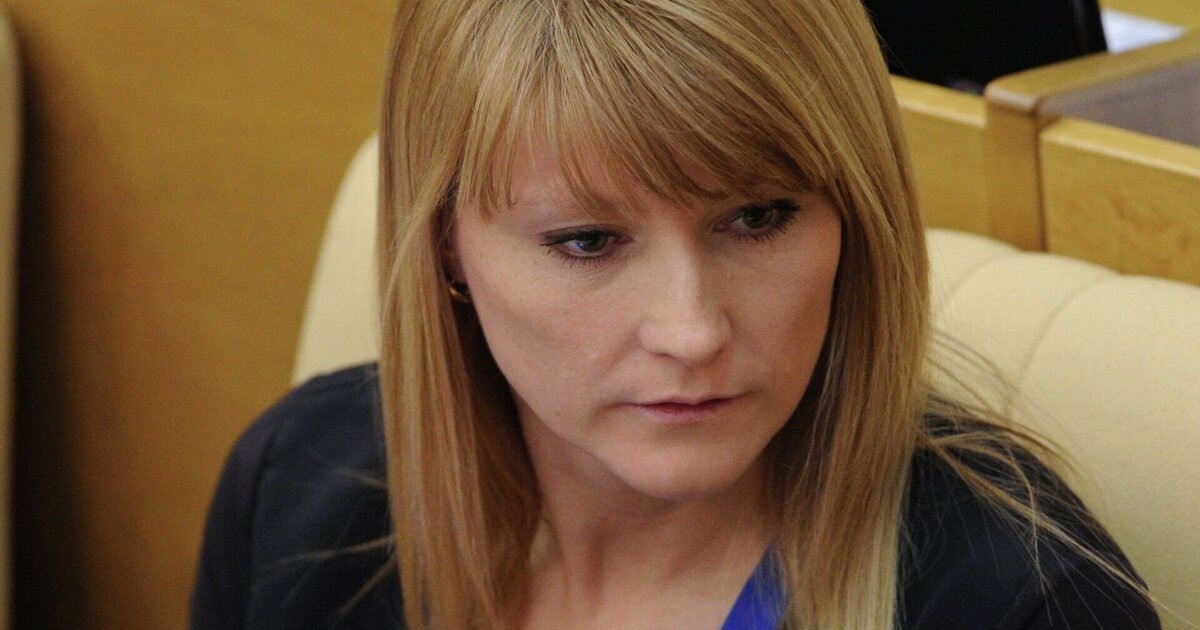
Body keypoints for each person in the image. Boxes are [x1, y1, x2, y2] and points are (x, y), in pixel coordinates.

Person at [191, 1, 1160, 628]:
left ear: (856, 218)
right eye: (587, 242)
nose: (692, 331)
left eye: (758, 218)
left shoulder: (1021, 601)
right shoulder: (298, 490)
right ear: (445, 245)